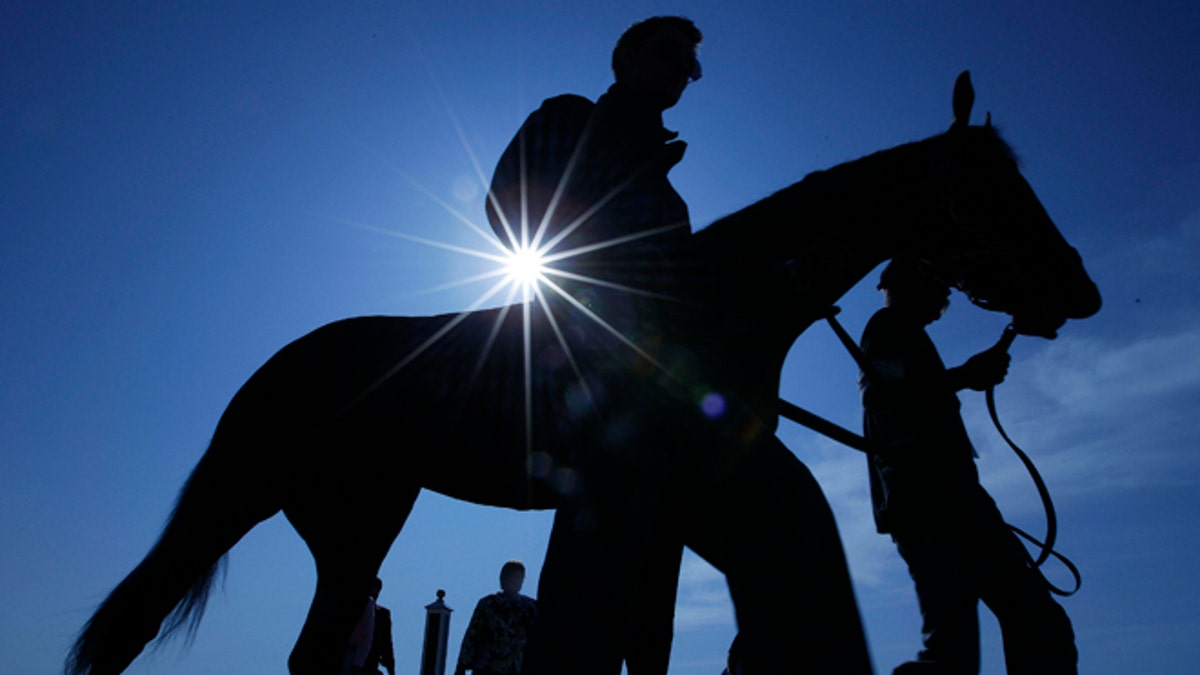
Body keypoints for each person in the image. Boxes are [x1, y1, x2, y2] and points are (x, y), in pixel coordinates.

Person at [859, 257, 1077, 674]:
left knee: (996, 637)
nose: (944, 298)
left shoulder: (903, 334)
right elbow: (884, 396)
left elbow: (903, 395)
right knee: (1024, 628)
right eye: (939, 287)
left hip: (943, 501)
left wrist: (967, 374)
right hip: (932, 503)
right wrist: (965, 375)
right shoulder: (886, 326)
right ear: (914, 285)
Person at [454, 561, 538, 675]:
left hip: (516, 667)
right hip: (488, 667)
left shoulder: (530, 607)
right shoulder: (488, 605)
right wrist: (462, 665)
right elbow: (472, 635)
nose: (515, 581)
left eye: (519, 577)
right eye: (512, 576)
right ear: (504, 579)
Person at [344, 577, 395, 675]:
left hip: (370, 661)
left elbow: (386, 642)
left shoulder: (382, 614)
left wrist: (390, 667)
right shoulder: (358, 608)